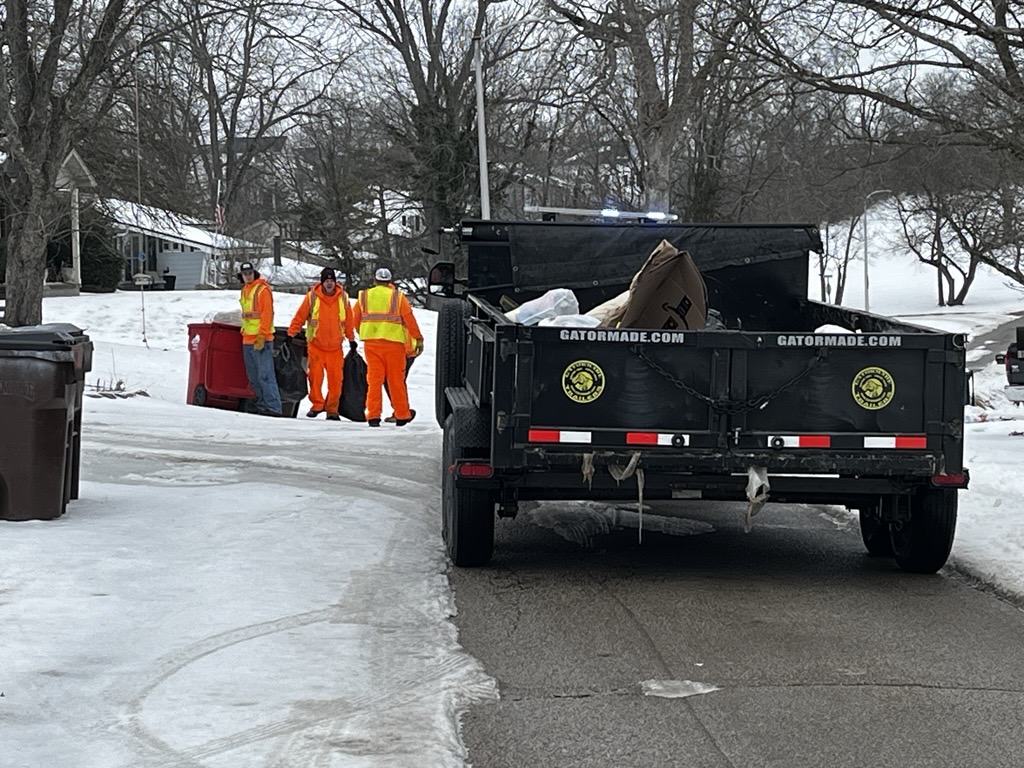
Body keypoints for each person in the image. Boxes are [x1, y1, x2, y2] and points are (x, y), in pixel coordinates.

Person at [352, 267, 423, 427]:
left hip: (372, 345)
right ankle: (402, 415)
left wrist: (365, 332)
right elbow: (409, 319)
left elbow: (355, 319)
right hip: (394, 346)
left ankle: (373, 416)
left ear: (375, 280)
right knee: (396, 381)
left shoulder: (364, 296)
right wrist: (418, 339)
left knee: (374, 381)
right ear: (390, 281)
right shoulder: (398, 297)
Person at [288, 267, 355, 421]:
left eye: (332, 281)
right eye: (327, 281)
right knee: (314, 378)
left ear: (335, 282)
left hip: (335, 348)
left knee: (336, 381)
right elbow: (300, 316)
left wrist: (351, 339)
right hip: (316, 346)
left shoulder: (343, 298)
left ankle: (332, 410)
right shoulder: (312, 297)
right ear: (322, 282)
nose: (329, 284)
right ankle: (317, 405)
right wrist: (291, 334)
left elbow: (348, 321)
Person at [238, 261, 282, 417]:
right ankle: (263, 405)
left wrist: (262, 335)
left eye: (250, 273)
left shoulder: (262, 290)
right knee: (254, 377)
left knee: (265, 375)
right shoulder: (245, 291)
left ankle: (273, 407)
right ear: (242, 276)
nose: (248, 276)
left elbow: (267, 314)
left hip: (260, 339)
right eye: (245, 274)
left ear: (254, 273)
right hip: (247, 340)